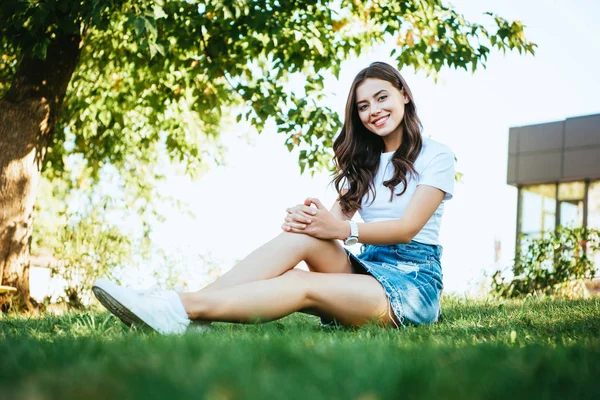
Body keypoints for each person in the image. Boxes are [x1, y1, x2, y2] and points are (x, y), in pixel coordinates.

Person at [92, 61, 455, 335]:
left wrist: (340, 229)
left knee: (301, 283)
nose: (373, 111)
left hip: (412, 283)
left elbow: (408, 229)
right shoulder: (365, 161)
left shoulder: (436, 154)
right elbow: (331, 227)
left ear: (403, 95)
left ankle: (178, 307)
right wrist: (310, 221)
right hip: (368, 268)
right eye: (363, 106)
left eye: (381, 97)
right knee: (302, 236)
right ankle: (188, 313)